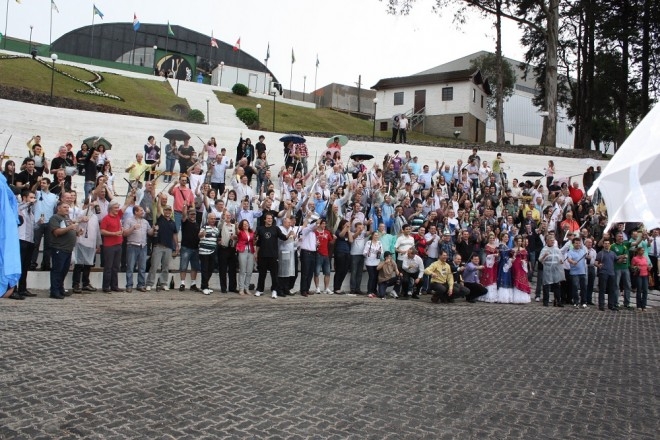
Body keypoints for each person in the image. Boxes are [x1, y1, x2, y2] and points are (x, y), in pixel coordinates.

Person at [254, 213, 293, 298]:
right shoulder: (260, 229)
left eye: (271, 218)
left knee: (274, 275)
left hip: (273, 255)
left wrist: (289, 234)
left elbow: (283, 237)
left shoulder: (276, 228)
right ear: (265, 219)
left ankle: (274, 290)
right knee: (262, 274)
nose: (270, 220)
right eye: (268, 218)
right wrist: (256, 253)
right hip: (262, 255)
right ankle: (260, 290)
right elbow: (258, 243)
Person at [100, 198, 131, 293]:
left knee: (115, 267)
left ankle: (114, 285)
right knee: (108, 267)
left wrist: (131, 195)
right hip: (109, 245)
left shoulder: (118, 216)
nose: (117, 209)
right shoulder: (106, 218)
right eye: (115, 208)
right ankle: (106, 287)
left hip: (118, 244)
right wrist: (114, 234)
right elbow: (102, 231)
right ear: (110, 208)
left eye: (118, 207)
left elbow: (126, 205)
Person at [48, 202, 79, 299]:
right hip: (59, 248)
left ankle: (60, 288)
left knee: (64, 270)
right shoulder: (55, 218)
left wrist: (77, 232)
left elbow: (69, 231)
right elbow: (56, 232)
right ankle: (54, 291)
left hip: (68, 249)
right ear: (58, 208)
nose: (67, 209)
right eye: (64, 207)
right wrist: (70, 227)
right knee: (57, 270)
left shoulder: (67, 218)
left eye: (68, 207)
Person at [147, 205, 179, 291]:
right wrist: (160, 198)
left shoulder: (173, 222)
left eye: (169, 210)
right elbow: (158, 208)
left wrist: (176, 245)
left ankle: (164, 283)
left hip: (168, 247)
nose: (168, 212)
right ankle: (150, 283)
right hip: (158, 246)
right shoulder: (160, 218)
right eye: (166, 210)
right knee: (154, 266)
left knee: (165, 267)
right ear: (163, 211)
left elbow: (175, 234)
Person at [31, 177, 59, 271]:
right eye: (41, 183)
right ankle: (32, 264)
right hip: (38, 222)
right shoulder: (38, 193)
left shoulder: (53, 196)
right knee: (35, 244)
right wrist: (37, 183)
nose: (42, 184)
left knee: (48, 245)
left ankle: (46, 264)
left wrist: (62, 187)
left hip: (49, 222)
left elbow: (57, 205)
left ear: (48, 184)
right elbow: (32, 190)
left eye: (44, 183)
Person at [123, 205, 151, 293]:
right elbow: (125, 233)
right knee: (130, 267)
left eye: (143, 210)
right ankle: (129, 285)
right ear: (136, 212)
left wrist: (154, 229)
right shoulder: (129, 220)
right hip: (132, 245)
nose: (143, 212)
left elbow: (150, 233)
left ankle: (141, 285)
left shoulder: (145, 222)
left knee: (142, 267)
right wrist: (133, 228)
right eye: (141, 210)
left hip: (143, 246)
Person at [16, 189, 37, 298]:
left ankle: (22, 288)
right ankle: (13, 289)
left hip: (30, 240)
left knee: (25, 266)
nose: (33, 200)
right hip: (21, 239)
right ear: (25, 198)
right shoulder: (20, 206)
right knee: (18, 265)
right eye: (31, 197)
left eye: (34, 197)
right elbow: (18, 209)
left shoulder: (31, 211)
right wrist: (28, 203)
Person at [539, 235, 565, 307]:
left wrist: (561, 261)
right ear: (547, 241)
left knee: (556, 285)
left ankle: (557, 301)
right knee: (546, 285)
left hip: (556, 269)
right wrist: (545, 256)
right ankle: (546, 301)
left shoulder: (557, 249)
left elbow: (560, 258)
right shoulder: (544, 249)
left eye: (553, 240)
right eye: (551, 240)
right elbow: (540, 260)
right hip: (547, 269)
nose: (552, 242)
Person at [178, 208, 201, 292]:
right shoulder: (185, 222)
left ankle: (193, 284)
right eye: (191, 214)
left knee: (194, 267)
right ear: (188, 215)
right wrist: (184, 207)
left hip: (195, 248)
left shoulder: (197, 224)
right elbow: (183, 215)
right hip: (186, 248)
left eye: (194, 214)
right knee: (183, 266)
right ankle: (182, 283)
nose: (192, 216)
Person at [198, 213, 220, 295]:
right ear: (208, 219)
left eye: (214, 218)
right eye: (211, 218)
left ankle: (204, 285)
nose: (213, 220)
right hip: (204, 251)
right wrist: (201, 234)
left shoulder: (216, 229)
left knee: (210, 269)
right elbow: (200, 235)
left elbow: (216, 239)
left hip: (212, 252)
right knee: (204, 269)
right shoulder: (204, 227)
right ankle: (205, 287)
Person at [217, 211, 238, 293]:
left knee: (233, 269)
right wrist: (223, 217)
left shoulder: (234, 226)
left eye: (229, 215)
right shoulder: (221, 225)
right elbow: (220, 223)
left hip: (232, 249)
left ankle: (232, 287)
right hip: (223, 248)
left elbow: (237, 235)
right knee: (223, 269)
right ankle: (223, 287)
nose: (228, 217)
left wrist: (235, 237)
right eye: (226, 215)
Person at [595, 238, 618, 311]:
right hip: (603, 273)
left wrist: (623, 257)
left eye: (608, 243)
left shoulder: (612, 253)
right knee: (602, 290)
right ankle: (601, 305)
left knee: (612, 290)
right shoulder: (600, 253)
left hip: (612, 273)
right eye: (605, 243)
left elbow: (617, 260)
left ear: (610, 244)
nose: (607, 245)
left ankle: (611, 305)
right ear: (603, 244)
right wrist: (598, 266)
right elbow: (595, 262)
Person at [566, 237, 588, 307]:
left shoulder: (582, 251)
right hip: (574, 273)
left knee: (583, 287)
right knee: (575, 287)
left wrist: (589, 257)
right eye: (576, 243)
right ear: (573, 244)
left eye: (579, 243)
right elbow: (569, 259)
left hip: (583, 272)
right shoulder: (570, 251)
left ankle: (584, 302)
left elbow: (587, 257)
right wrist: (573, 262)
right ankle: (576, 301)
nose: (578, 244)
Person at [236, 219, 256, 295]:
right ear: (242, 225)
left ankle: (246, 287)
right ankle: (241, 288)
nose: (245, 225)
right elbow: (237, 232)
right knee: (242, 270)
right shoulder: (240, 232)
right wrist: (236, 226)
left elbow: (254, 241)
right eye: (244, 224)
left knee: (249, 270)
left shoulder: (251, 232)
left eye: (246, 223)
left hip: (250, 251)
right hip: (242, 251)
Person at [477, 233, 499, 302]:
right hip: (488, 264)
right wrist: (493, 255)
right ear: (488, 239)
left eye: (493, 238)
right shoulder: (487, 246)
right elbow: (486, 256)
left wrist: (497, 255)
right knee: (488, 277)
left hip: (494, 264)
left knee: (493, 278)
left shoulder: (495, 246)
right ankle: (486, 295)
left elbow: (498, 255)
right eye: (490, 238)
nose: (492, 239)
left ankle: (493, 296)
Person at [333, 219, 352, 294]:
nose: (347, 226)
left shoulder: (348, 232)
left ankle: (339, 287)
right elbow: (341, 235)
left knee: (344, 271)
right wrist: (345, 228)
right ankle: (336, 288)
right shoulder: (338, 231)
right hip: (340, 252)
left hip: (347, 252)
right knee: (339, 270)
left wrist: (349, 230)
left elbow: (351, 241)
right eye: (345, 224)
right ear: (342, 225)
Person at [314, 218, 333, 294]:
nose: (324, 225)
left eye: (325, 224)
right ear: (319, 224)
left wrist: (334, 239)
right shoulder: (315, 233)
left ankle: (326, 288)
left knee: (327, 272)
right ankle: (317, 287)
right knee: (317, 272)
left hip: (326, 254)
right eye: (323, 224)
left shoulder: (327, 232)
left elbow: (331, 242)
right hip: (318, 253)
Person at [511, 235, 532, 303]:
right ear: (515, 242)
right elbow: (511, 258)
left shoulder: (523, 250)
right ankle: (516, 297)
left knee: (522, 278)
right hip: (515, 265)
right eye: (518, 241)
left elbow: (525, 258)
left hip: (521, 265)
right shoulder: (512, 249)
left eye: (520, 241)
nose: (519, 242)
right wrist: (514, 255)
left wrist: (524, 262)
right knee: (515, 277)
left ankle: (522, 296)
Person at [349, 221, 368, 295]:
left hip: (362, 255)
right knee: (353, 272)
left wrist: (370, 224)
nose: (360, 228)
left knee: (360, 273)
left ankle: (358, 289)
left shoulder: (363, 234)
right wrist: (359, 231)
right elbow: (354, 237)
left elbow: (371, 232)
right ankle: (352, 289)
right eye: (359, 227)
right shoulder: (352, 233)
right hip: (354, 254)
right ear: (356, 227)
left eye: (361, 227)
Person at [363, 231, 383, 298]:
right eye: (375, 235)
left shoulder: (379, 243)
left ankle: (374, 290)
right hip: (369, 262)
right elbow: (364, 252)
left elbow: (382, 252)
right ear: (372, 236)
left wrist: (379, 252)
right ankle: (369, 291)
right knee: (371, 276)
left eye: (377, 235)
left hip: (376, 262)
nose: (376, 236)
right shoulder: (368, 242)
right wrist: (367, 254)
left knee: (376, 277)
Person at [630, 246, 650, 311]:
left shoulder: (645, 258)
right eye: (642, 250)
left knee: (645, 290)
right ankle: (638, 305)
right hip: (639, 275)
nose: (643, 252)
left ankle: (644, 305)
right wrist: (636, 267)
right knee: (639, 290)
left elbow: (647, 265)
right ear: (638, 251)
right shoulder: (635, 258)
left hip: (645, 275)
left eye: (643, 250)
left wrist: (649, 267)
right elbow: (632, 267)